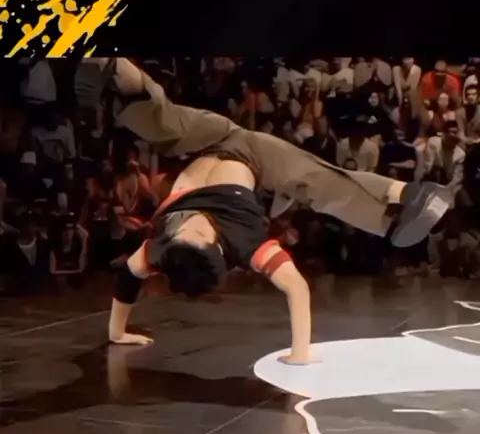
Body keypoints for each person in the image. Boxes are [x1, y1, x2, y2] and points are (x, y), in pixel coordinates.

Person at [84, 59, 452, 362]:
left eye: (184, 230)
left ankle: (111, 64)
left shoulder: (162, 247)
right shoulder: (245, 242)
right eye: (200, 233)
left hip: (206, 138)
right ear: (217, 248)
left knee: (163, 119)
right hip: (255, 155)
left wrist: (117, 333)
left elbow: (129, 277)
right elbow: (296, 288)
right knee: (318, 180)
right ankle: (409, 196)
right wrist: (300, 353)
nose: (191, 223)